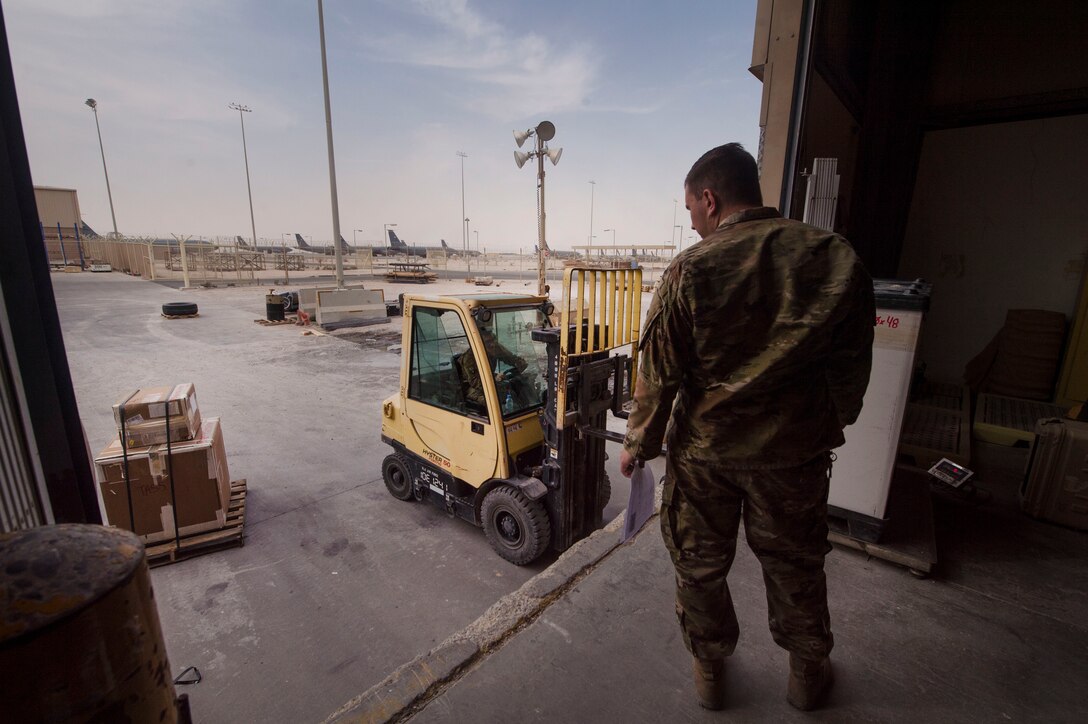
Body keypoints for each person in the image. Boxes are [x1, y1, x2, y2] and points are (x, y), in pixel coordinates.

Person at [619, 143, 874, 711]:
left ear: (710, 200)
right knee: (796, 565)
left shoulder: (691, 269)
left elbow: (658, 374)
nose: (692, 222)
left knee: (699, 565)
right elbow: (852, 365)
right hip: (793, 458)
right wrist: (823, 425)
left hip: (705, 458)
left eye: (690, 211)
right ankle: (807, 676)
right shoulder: (834, 258)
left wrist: (639, 444)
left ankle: (710, 674)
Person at [457, 325, 528, 411]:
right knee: (490, 401)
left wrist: (519, 363)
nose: (492, 344)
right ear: (480, 343)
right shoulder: (469, 358)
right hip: (471, 387)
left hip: (490, 379)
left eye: (493, 340)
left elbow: (510, 358)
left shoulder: (494, 347)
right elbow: (476, 383)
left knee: (520, 385)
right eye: (488, 342)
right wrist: (495, 378)